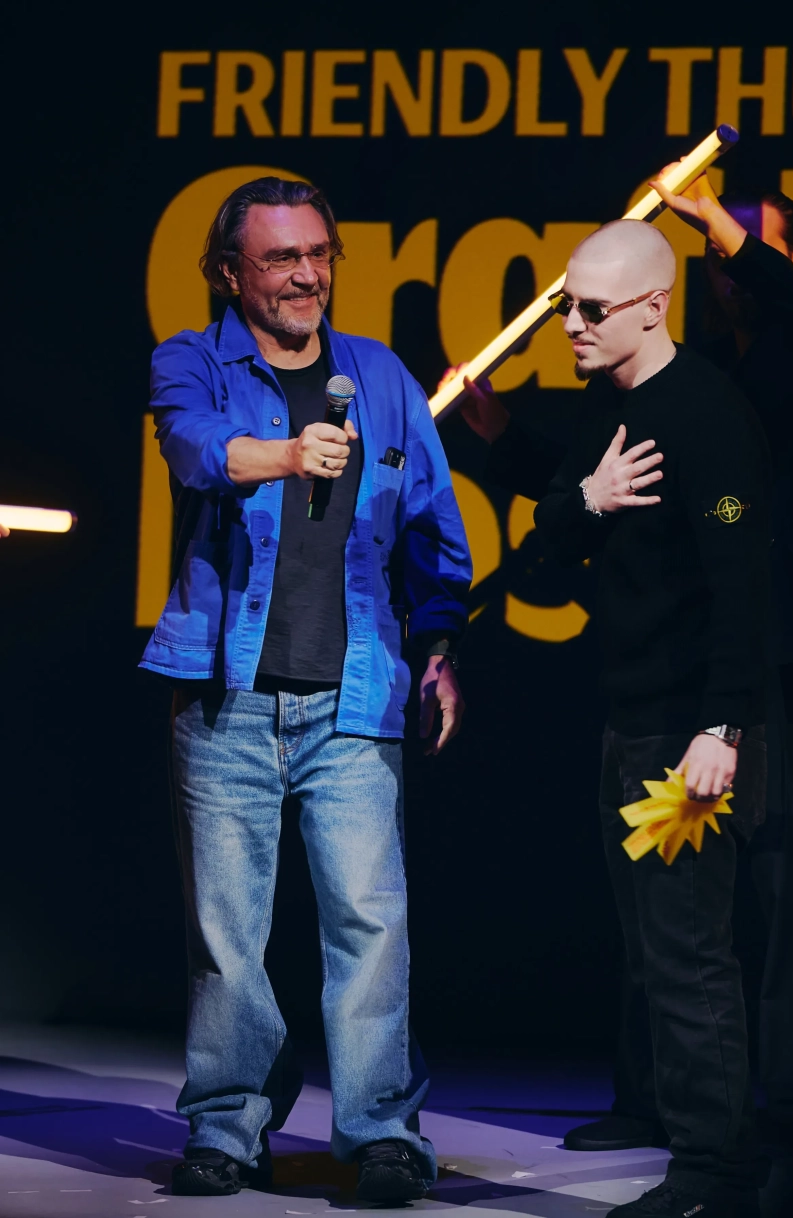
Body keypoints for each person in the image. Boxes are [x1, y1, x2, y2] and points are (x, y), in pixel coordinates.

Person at [140, 177, 471, 1202]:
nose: (306, 275)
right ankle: (228, 1125)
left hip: (354, 696)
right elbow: (195, 449)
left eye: (319, 253)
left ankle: (381, 1133)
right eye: (281, 257)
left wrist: (438, 647)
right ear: (228, 272)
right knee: (227, 933)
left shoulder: (380, 377)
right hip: (225, 698)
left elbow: (433, 528)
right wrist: (288, 455)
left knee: (370, 925)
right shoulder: (191, 361)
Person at [446, 218, 770, 1218]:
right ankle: (661, 1117)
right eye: (564, 306)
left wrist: (722, 728)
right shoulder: (610, 408)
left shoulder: (706, 415)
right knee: (650, 946)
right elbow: (561, 525)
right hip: (631, 719)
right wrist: (565, 483)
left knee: (687, 955)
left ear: (652, 307)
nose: (571, 325)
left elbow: (744, 575)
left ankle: (715, 1175)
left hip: (686, 733)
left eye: (590, 309)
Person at [650, 173, 793, 1206]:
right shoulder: (708, 374)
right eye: (714, 263)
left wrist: (722, 227)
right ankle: (688, 1106)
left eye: (741, 256)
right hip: (720, 662)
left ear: (792, 260)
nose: (724, 273)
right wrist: (499, 441)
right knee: (694, 878)